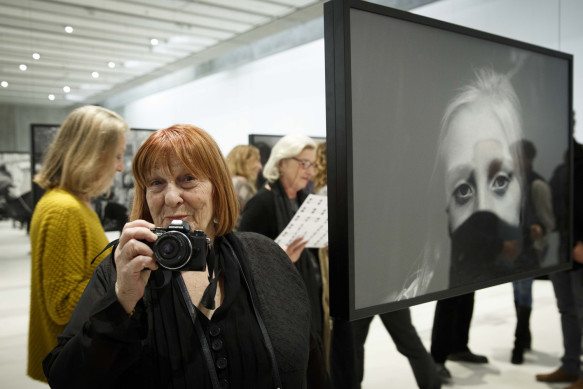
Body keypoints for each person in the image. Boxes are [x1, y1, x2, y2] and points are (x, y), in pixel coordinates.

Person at [42, 124, 311, 388]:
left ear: (217, 188)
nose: (171, 198)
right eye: (156, 183)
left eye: (188, 179)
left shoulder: (262, 254)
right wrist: (122, 301)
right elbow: (66, 379)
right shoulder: (123, 268)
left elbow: (311, 357)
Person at [429, 68, 528, 378]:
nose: (483, 209)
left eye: (500, 180)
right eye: (463, 190)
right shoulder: (446, 229)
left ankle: (458, 345)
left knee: (465, 296)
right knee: (448, 300)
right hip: (455, 254)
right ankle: (438, 357)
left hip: (473, 255)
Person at [27, 105, 129, 382]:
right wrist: (124, 273)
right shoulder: (64, 209)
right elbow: (62, 304)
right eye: (117, 156)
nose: (120, 167)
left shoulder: (70, 203)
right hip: (76, 354)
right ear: (92, 155)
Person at [238, 134, 329, 387]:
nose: (309, 170)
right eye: (303, 163)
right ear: (281, 163)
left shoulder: (301, 200)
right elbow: (243, 261)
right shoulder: (261, 203)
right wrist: (278, 259)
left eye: (312, 164)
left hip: (305, 294)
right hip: (277, 306)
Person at [536, 137, 583, 389]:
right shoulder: (559, 165)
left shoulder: (580, 159)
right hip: (559, 251)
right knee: (567, 309)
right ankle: (570, 366)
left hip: (578, 251)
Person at [510, 139, 555, 364]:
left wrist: (538, 244)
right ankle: (524, 338)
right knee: (518, 292)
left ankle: (518, 344)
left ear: (528, 158)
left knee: (524, 291)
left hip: (530, 249)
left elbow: (547, 221)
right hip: (515, 248)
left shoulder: (537, 184)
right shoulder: (512, 182)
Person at [225, 144, 262, 229]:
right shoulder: (240, 183)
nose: (260, 167)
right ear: (244, 161)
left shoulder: (231, 182)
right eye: (257, 161)